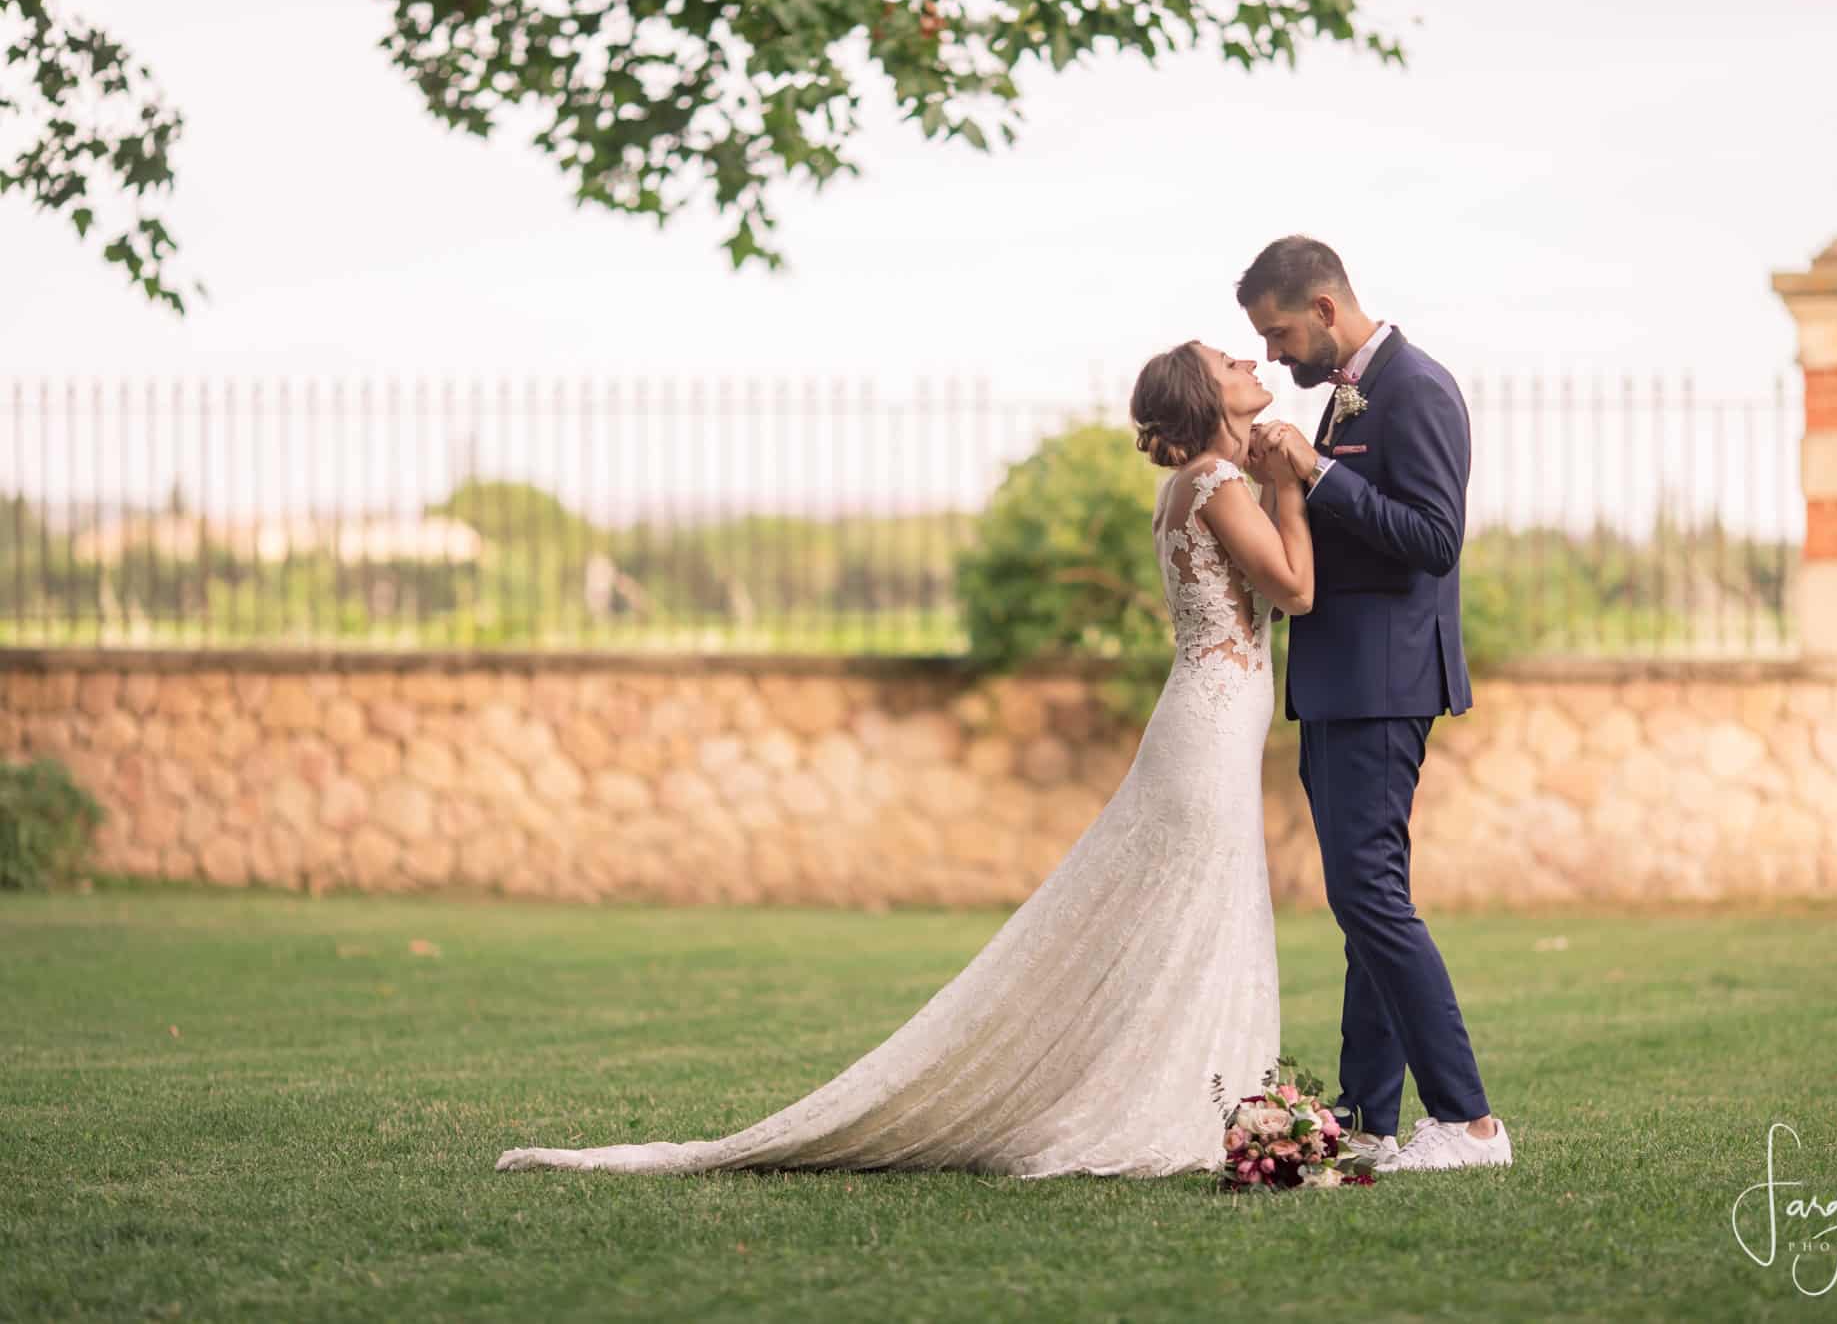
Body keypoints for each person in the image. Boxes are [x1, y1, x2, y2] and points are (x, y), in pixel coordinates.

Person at [497, 340, 1315, 1178]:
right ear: (1202, 394)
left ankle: (1207, 1095)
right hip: (1207, 732)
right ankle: (1190, 1103)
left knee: (1196, 910)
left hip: (1210, 724)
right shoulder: (1213, 483)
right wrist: (1289, 485)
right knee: (1192, 906)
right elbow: (1295, 589)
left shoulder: (1207, 484)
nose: (1249, 362)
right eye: (1228, 362)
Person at [1237, 234, 1510, 1173]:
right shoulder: (1347, 398)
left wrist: (1314, 475)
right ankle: (1366, 1119)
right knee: (1367, 904)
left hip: (1385, 683)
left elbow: (1434, 539)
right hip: (1341, 682)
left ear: (1323, 309)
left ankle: (1470, 1120)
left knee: (1370, 898)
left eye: (1277, 334)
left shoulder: (1418, 388)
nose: (1273, 355)